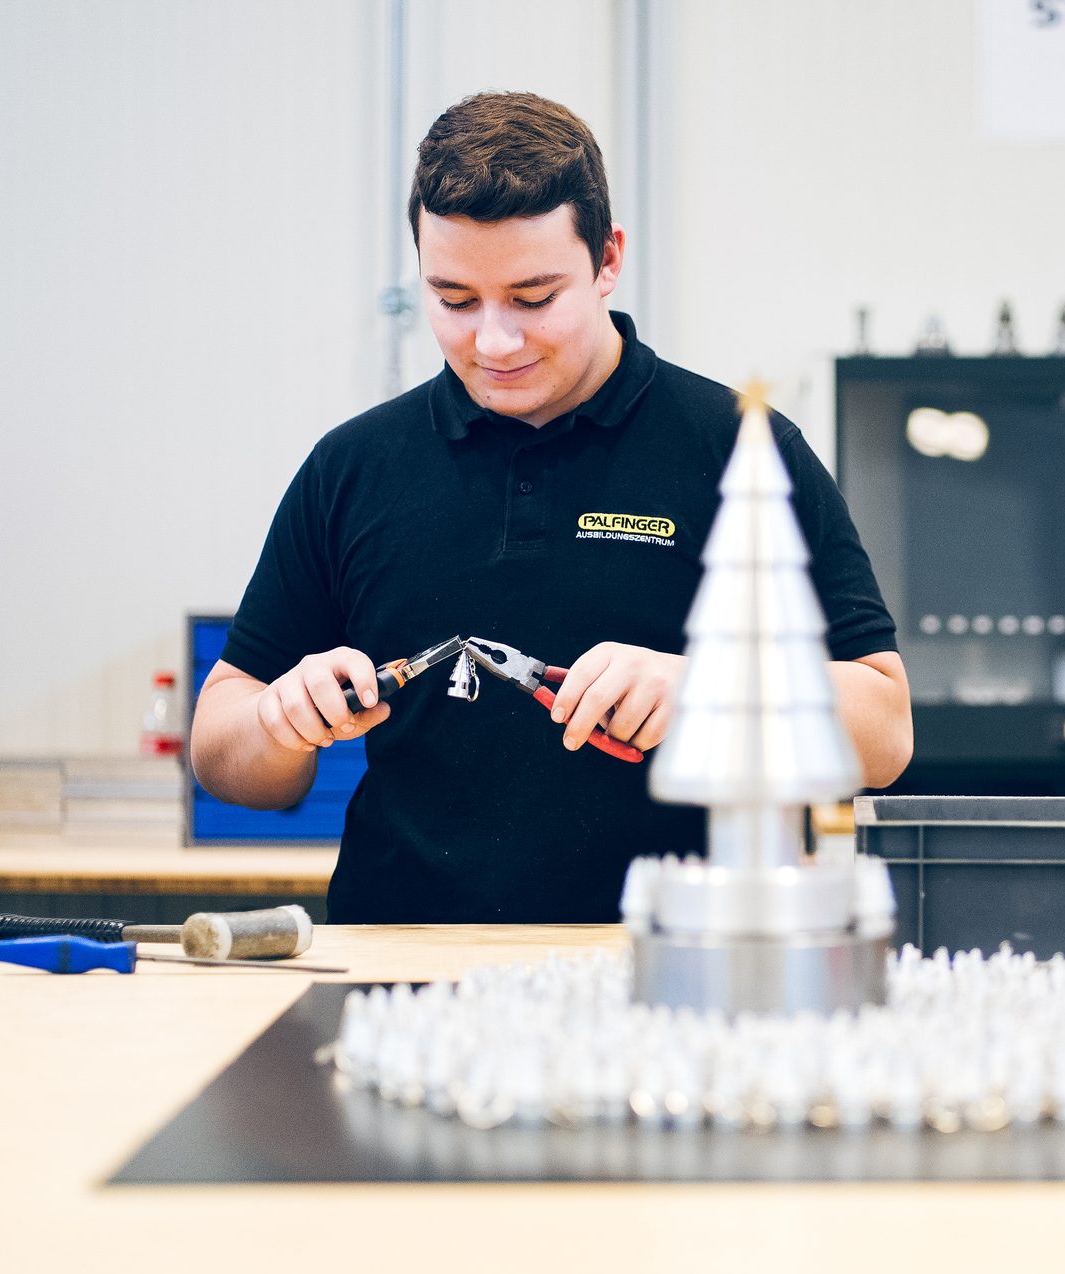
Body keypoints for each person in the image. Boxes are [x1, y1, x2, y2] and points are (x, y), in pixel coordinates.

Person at [191, 92, 912, 924]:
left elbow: (884, 734)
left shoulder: (739, 449)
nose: (494, 342)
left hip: (678, 974)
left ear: (608, 259)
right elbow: (224, 755)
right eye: (454, 300)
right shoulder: (352, 468)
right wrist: (281, 721)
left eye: (534, 298)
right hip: (402, 973)